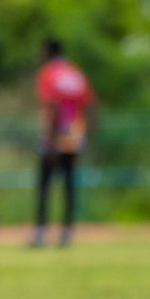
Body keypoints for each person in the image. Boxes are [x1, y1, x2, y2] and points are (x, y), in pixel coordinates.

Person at [33, 38, 95, 247]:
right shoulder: (75, 73)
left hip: (55, 132)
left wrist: (49, 138)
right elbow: (90, 105)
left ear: (47, 52)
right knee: (69, 184)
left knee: (45, 184)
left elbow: (50, 105)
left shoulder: (48, 73)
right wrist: (86, 136)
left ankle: (40, 233)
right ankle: (66, 233)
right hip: (75, 132)